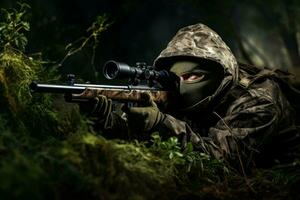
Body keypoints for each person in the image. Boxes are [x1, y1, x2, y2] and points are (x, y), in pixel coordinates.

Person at [82, 23, 300, 169]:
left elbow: (221, 163)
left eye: (192, 76)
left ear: (219, 73)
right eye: (174, 78)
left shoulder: (260, 99)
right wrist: (108, 122)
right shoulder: (180, 95)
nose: (181, 84)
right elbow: (147, 141)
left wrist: (160, 123)